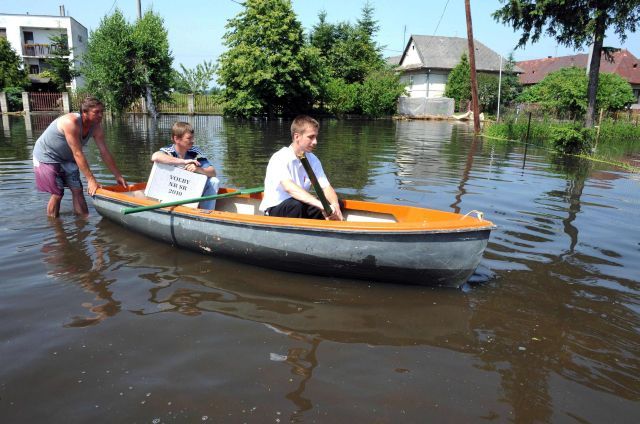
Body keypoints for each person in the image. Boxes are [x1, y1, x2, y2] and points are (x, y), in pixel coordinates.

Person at [32, 96, 127, 217]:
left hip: (67, 157)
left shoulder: (96, 127)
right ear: (84, 113)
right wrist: (91, 179)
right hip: (47, 156)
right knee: (58, 193)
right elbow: (78, 153)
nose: (100, 115)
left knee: (77, 190)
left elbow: (104, 152)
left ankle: (84, 221)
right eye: (96, 112)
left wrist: (118, 175)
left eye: (102, 111)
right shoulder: (70, 123)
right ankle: (54, 225)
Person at [259, 115, 343, 220]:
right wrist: (320, 205)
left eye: (316, 137)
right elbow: (289, 188)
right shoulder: (279, 158)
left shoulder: (313, 159)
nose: (315, 142)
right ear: (297, 137)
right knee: (296, 205)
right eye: (311, 137)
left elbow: (326, 187)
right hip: (276, 209)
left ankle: (322, 228)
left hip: (299, 205)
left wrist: (335, 206)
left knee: (337, 202)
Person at [151, 121, 220, 210]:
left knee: (214, 181)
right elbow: (155, 157)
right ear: (177, 139)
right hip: (170, 191)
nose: (193, 141)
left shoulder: (195, 151)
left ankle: (206, 214)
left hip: (188, 188)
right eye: (189, 138)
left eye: (193, 138)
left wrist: (198, 169)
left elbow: (213, 172)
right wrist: (183, 162)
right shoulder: (168, 151)